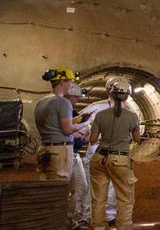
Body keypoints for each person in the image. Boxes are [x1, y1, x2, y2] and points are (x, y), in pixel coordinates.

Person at [34, 66, 90, 230]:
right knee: (63, 192)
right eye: (71, 82)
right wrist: (86, 123)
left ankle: (63, 223)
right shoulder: (63, 102)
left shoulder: (41, 102)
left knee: (49, 189)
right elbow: (66, 130)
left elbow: (55, 125)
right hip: (61, 151)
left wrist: (78, 120)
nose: (72, 85)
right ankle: (61, 224)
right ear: (63, 82)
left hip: (45, 149)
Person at [89, 79, 140, 230]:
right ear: (128, 96)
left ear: (110, 93)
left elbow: (92, 140)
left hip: (99, 158)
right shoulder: (132, 116)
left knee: (98, 198)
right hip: (120, 159)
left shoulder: (100, 115)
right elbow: (136, 139)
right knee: (125, 197)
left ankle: (98, 227)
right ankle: (123, 226)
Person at [80, 78, 121, 226]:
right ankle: (87, 215)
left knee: (112, 186)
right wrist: (85, 135)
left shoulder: (127, 109)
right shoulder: (96, 107)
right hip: (97, 149)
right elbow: (80, 124)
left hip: (115, 150)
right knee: (92, 183)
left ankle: (109, 215)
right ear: (109, 90)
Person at [66, 82, 91, 230]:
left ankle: (72, 221)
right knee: (76, 188)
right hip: (68, 153)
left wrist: (86, 134)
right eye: (76, 97)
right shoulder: (64, 112)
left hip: (73, 154)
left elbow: (83, 137)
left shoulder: (72, 113)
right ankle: (69, 222)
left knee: (80, 187)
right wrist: (82, 129)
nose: (77, 100)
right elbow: (69, 132)